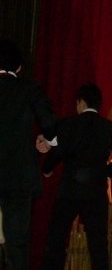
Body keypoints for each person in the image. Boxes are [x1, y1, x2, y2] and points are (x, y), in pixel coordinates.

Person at [41, 82, 112, 270]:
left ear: (81, 102)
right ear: (98, 104)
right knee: (98, 245)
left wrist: (47, 169)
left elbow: (57, 152)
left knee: (57, 240)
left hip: (69, 189)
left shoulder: (67, 124)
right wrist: (105, 173)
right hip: (96, 191)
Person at [0, 39, 57, 270]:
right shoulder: (30, 89)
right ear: (19, 67)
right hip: (19, 177)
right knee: (17, 243)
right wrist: (48, 141)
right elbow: (49, 123)